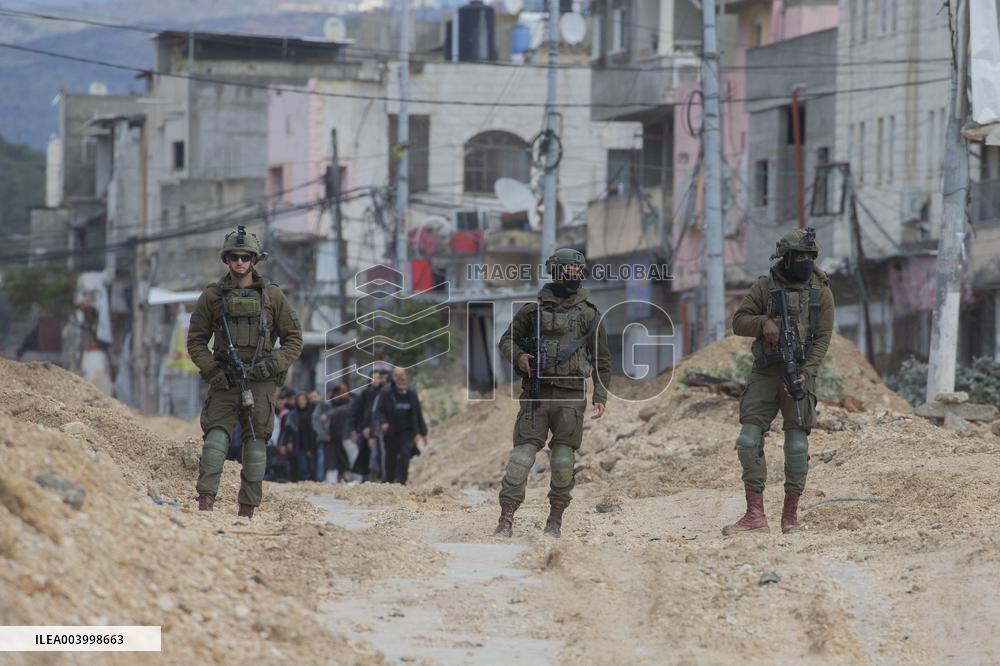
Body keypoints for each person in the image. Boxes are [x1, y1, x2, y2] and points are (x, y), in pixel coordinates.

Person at [723, 227, 835, 535]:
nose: (803, 261)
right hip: (764, 374)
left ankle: (790, 516)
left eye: (808, 257)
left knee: (797, 445)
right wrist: (764, 323)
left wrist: (806, 372)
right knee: (747, 440)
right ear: (785, 258)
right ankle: (755, 515)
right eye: (797, 256)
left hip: (799, 373)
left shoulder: (821, 292)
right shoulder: (764, 287)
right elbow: (738, 322)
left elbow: (823, 337)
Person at [494, 248, 611, 539]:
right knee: (520, 459)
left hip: (570, 399)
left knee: (562, 463)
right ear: (556, 271)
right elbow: (506, 341)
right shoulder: (531, 312)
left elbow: (602, 360)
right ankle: (505, 520)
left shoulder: (589, 315)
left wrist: (600, 395)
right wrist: (519, 357)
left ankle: (554, 522)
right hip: (536, 396)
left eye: (577, 270)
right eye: (569, 269)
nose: (574, 275)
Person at [187, 226, 303, 518]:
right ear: (226, 260)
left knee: (255, 445)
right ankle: (206, 503)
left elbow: (294, 339)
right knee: (215, 441)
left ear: (254, 260)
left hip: (261, 381)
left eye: (245, 257)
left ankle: (247, 510)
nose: (240, 262)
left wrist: (273, 364)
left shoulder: (273, 296)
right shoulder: (212, 297)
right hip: (224, 380)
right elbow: (196, 342)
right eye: (234, 257)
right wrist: (213, 370)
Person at [375, 367, 428, 485]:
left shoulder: (411, 393)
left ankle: (401, 482)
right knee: (391, 458)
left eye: (402, 375)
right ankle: (388, 481)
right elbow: (379, 411)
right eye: (397, 375)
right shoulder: (386, 392)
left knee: (405, 455)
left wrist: (422, 432)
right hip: (391, 431)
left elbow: (417, 412)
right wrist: (383, 422)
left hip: (407, 432)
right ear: (393, 377)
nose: (400, 378)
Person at [313, 382, 355, 483]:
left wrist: (329, 414)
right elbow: (315, 419)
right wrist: (323, 434)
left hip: (346, 438)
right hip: (330, 437)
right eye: (338, 392)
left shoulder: (351, 403)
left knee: (347, 461)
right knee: (331, 462)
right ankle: (331, 482)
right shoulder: (325, 404)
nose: (341, 394)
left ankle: (349, 481)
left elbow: (350, 413)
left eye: (344, 392)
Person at [283, 392, 318, 482]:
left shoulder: (312, 413)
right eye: (299, 400)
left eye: (303, 400)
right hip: (299, 444)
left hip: (312, 444)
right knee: (303, 468)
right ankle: (304, 485)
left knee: (313, 468)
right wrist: (285, 443)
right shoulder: (293, 414)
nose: (301, 402)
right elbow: (287, 430)